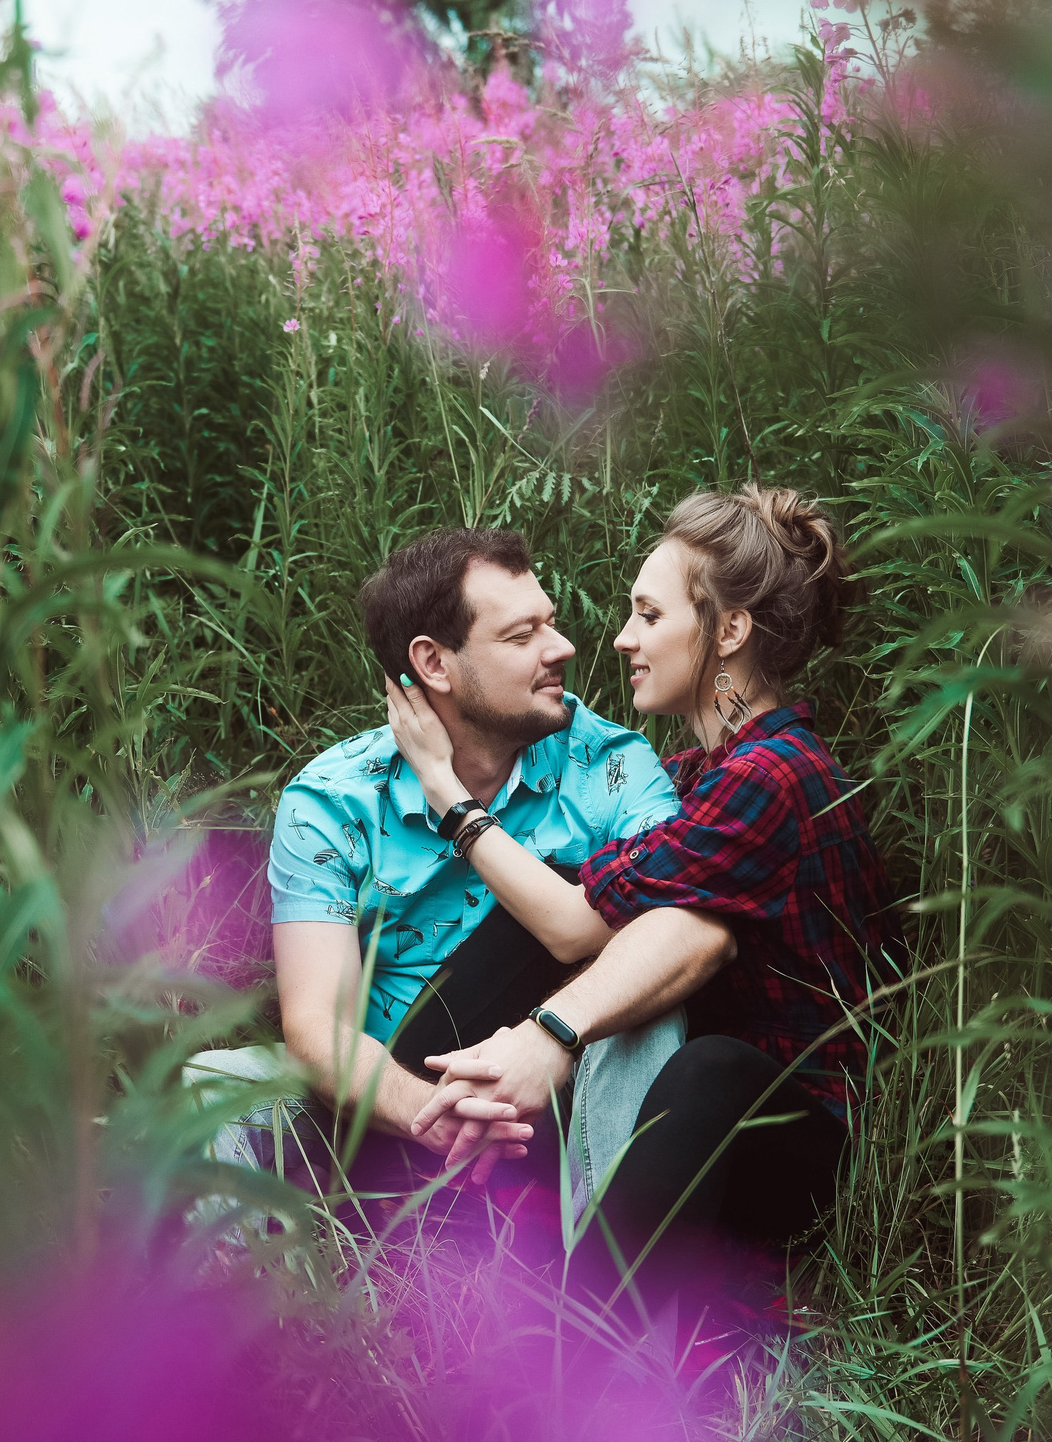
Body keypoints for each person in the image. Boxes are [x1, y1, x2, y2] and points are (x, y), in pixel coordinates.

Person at [386, 485, 893, 1280]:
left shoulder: (774, 777)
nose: (622, 639)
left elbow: (572, 923)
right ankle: (375, 1152)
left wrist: (449, 798)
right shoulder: (696, 774)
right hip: (672, 1129)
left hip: (787, 1146)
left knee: (708, 1063)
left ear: (729, 630)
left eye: (649, 616)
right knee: (571, 913)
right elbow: (582, 905)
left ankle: (586, 1343)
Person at [260, 527, 737, 1215]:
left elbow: (693, 930)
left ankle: (602, 1278)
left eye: (551, 622)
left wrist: (550, 1041)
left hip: (565, 1085)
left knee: (651, 1002)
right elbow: (317, 1027)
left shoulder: (613, 766)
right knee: (206, 1090)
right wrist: (443, 1118)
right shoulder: (333, 800)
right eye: (522, 636)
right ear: (434, 663)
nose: (562, 647)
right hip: (398, 1098)